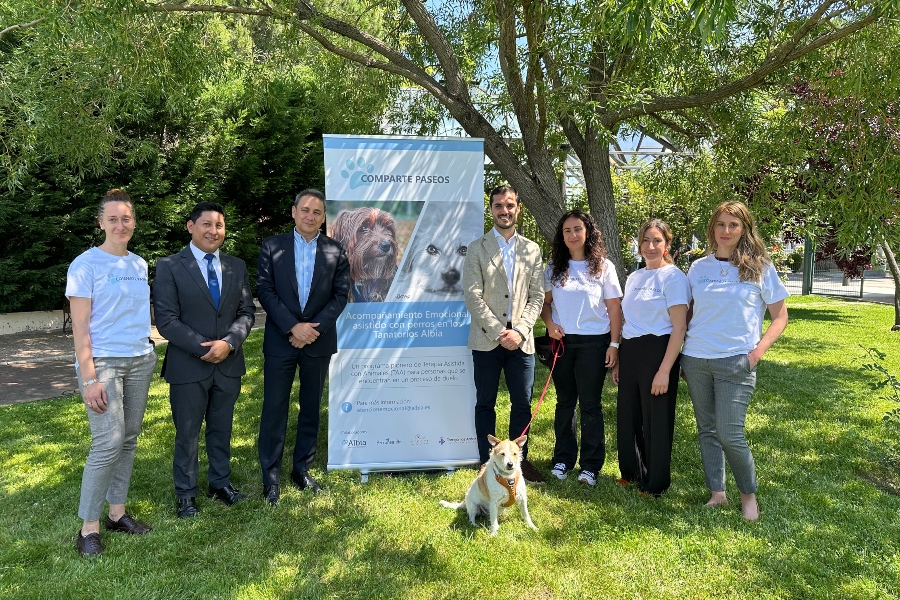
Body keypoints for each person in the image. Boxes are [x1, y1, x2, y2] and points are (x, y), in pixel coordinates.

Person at [681, 201, 789, 520]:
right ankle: (718, 493)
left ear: (744, 228)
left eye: (733, 225)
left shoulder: (760, 267)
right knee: (707, 430)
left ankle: (748, 496)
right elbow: (686, 313)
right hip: (697, 359)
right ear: (712, 229)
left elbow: (780, 317)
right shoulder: (698, 268)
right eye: (721, 224)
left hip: (736, 362)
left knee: (731, 433)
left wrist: (756, 353)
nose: (726, 231)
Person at [66, 189, 157, 556]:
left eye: (127, 218)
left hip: (139, 359)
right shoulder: (85, 264)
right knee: (107, 442)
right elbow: (80, 327)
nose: (121, 225)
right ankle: (88, 528)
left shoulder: (139, 264)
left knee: (129, 438)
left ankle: (116, 513)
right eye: (113, 219)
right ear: (101, 222)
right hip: (102, 363)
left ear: (133, 221)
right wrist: (88, 379)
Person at [153, 202, 256, 518]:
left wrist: (229, 343)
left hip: (228, 364)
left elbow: (246, 312)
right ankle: (185, 494)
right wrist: (205, 348)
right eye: (207, 224)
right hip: (188, 366)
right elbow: (167, 320)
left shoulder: (236, 266)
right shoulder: (169, 266)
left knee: (221, 428)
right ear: (190, 226)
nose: (214, 231)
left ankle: (220, 483)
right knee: (187, 433)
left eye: (220, 225)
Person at [256, 189, 350, 505]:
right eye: (305, 210)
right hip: (281, 341)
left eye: (317, 212)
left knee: (310, 409)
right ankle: (270, 477)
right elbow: (265, 290)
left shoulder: (336, 250)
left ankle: (301, 470)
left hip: (318, 343)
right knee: (274, 409)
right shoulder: (272, 246)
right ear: (293, 211)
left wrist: (312, 330)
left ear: (324, 218)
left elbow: (340, 296)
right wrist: (292, 327)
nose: (310, 216)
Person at [463, 185, 546, 484]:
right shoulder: (477, 248)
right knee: (485, 402)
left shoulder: (532, 249)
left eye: (510, 205)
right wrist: (501, 332)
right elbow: (473, 295)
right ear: (491, 209)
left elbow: (537, 296)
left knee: (522, 403)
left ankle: (519, 463)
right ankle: (487, 464)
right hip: (487, 340)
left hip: (522, 343)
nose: (504, 210)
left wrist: (520, 331)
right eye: (499, 205)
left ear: (518, 209)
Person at [541, 209, 623, 487]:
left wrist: (614, 344)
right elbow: (545, 304)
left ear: (588, 232)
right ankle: (563, 459)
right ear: (561, 237)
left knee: (590, 405)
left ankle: (590, 466)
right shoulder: (553, 268)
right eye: (567, 231)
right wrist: (550, 324)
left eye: (577, 229)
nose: (573, 235)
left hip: (594, 343)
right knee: (564, 402)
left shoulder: (603, 267)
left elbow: (614, 308)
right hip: (562, 344)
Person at [613, 219, 689, 496]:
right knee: (629, 414)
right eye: (646, 240)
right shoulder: (634, 277)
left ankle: (655, 482)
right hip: (631, 350)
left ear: (667, 245)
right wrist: (621, 359)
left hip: (659, 350)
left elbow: (679, 327)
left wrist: (664, 371)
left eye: (657, 240)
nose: (651, 246)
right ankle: (631, 473)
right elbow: (626, 320)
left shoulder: (674, 278)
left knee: (655, 417)